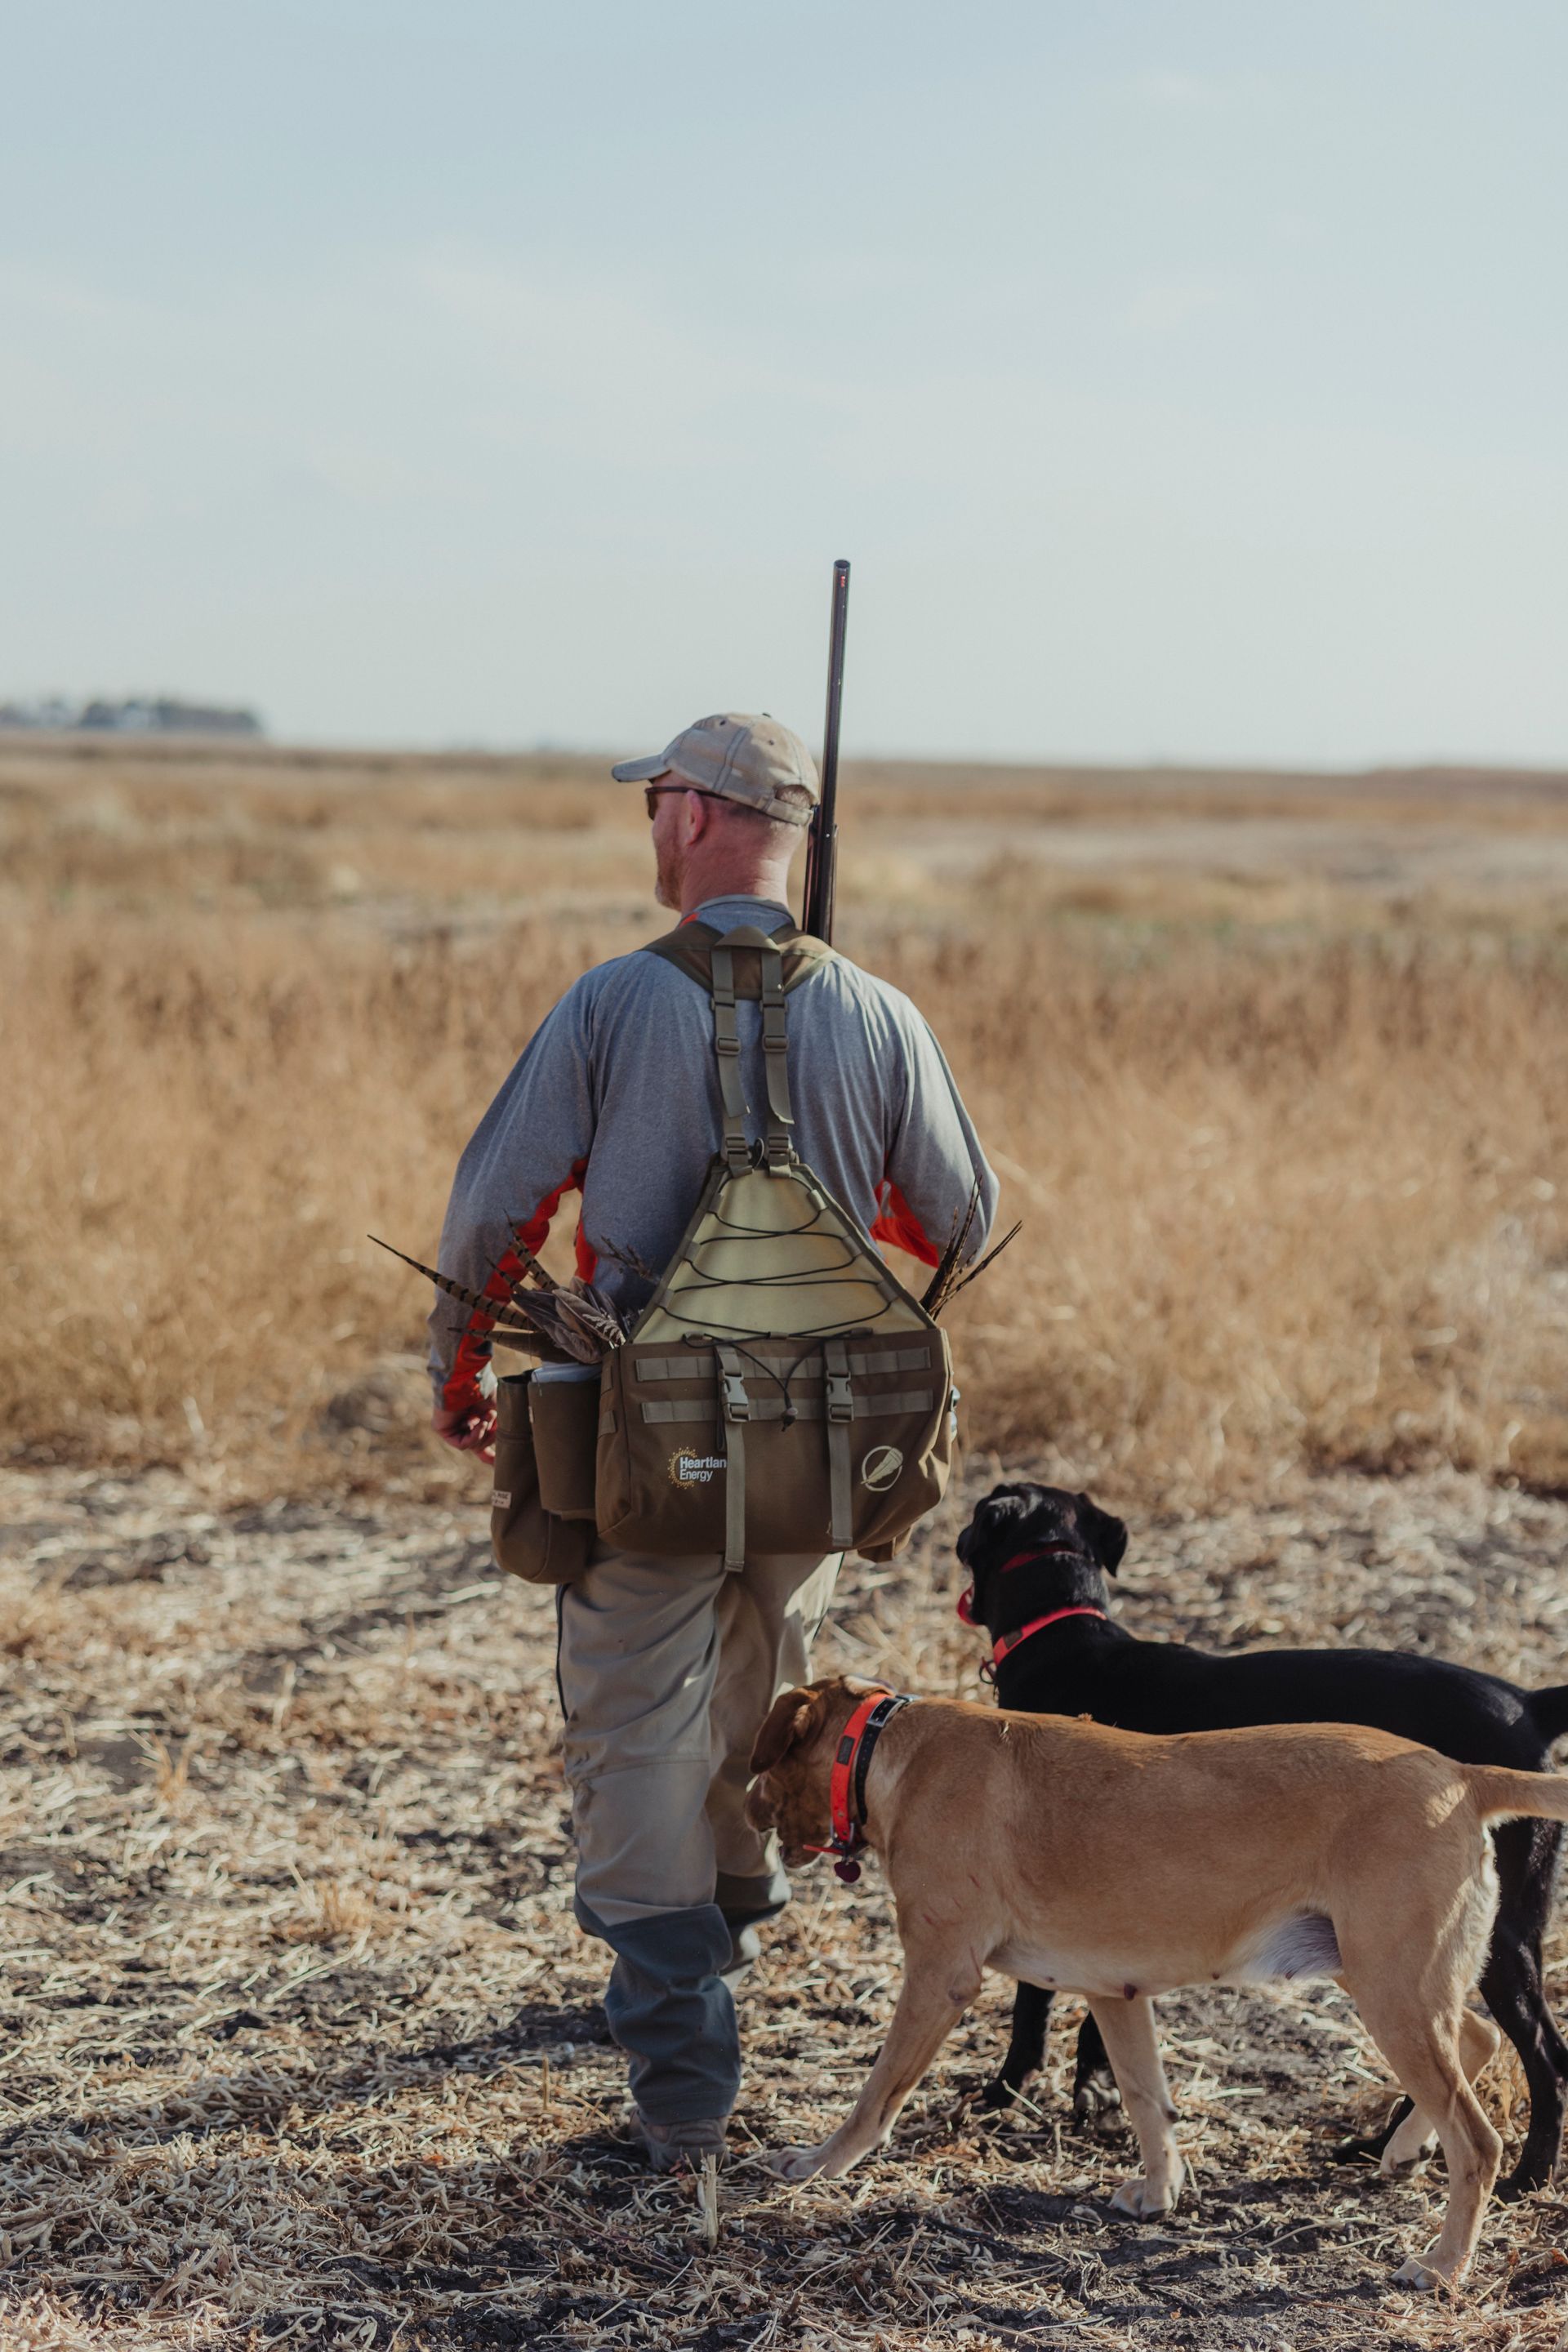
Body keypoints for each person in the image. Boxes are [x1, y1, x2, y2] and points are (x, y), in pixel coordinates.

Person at [428, 710, 998, 2168]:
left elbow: (498, 1210)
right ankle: (723, 1940)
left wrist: (461, 1368)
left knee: (631, 1728)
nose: (649, 824)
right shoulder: (880, 1010)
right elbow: (961, 1222)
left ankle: (682, 2076)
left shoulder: (614, 1001)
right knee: (767, 1696)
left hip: (645, 1451)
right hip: (825, 1453)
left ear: (693, 816)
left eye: (655, 801)